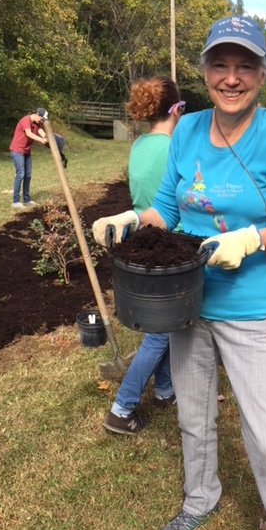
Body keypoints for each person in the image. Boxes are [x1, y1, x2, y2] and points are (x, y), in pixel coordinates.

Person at [93, 16, 266, 530]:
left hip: (249, 305)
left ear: (262, 74)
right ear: (203, 72)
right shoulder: (187, 131)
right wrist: (128, 220)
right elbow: (165, 206)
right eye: (220, 64)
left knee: (265, 433)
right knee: (194, 414)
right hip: (186, 300)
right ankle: (201, 497)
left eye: (245, 65)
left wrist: (251, 240)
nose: (232, 77)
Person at [103, 76, 186, 436]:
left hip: (142, 242)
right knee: (162, 331)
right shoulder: (175, 148)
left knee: (167, 327)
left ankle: (165, 389)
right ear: (177, 110)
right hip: (172, 247)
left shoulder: (138, 145)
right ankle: (121, 408)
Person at [9, 108, 49, 208]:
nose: (42, 121)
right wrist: (41, 140)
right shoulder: (25, 120)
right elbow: (29, 133)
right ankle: (15, 201)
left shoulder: (37, 124)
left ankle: (26, 199)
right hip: (17, 151)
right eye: (42, 119)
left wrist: (49, 139)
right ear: (37, 114)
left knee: (28, 175)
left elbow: (42, 133)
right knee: (21, 174)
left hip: (26, 151)